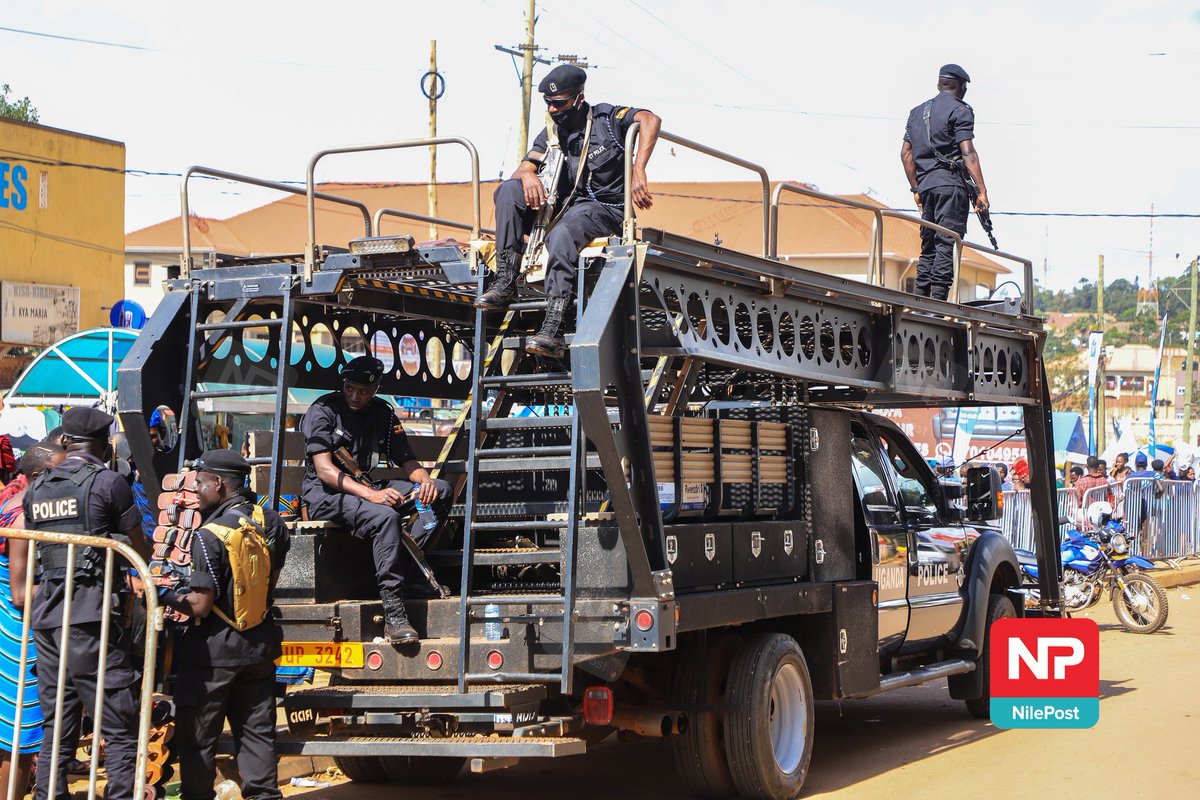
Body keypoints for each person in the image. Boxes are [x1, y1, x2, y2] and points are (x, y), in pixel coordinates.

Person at [475, 63, 663, 357]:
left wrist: (639, 169)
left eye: (559, 103)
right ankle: (505, 281)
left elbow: (650, 119)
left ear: (578, 98)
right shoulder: (552, 132)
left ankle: (554, 327)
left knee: (561, 234)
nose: (552, 109)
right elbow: (523, 167)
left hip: (607, 210)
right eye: (548, 103)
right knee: (508, 190)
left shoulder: (606, 121)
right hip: (564, 210)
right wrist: (526, 175)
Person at [23, 407, 148, 800]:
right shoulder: (108, 482)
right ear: (105, 443)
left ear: (64, 440)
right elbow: (139, 549)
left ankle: (49, 794)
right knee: (118, 723)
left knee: (57, 724)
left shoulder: (37, 488)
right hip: (92, 616)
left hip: (47, 617)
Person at [301, 356, 452, 644]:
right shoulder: (323, 410)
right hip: (327, 496)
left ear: (376, 389)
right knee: (386, 517)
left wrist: (425, 481)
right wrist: (374, 495)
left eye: (364, 391)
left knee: (441, 491)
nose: (355, 396)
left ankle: (407, 568)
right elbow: (324, 470)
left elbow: (407, 460)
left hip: (365, 489)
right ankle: (394, 614)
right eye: (350, 388)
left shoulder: (383, 413)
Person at [170, 449, 289, 800]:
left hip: (212, 656)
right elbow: (269, 582)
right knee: (257, 735)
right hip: (259, 647)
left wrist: (164, 595)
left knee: (198, 739)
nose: (196, 491)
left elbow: (200, 604)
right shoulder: (271, 521)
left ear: (220, 484)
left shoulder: (208, 535)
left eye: (200, 483)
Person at [0, 443, 65, 796]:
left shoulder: (14, 505)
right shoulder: (24, 516)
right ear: (38, 476)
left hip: (13, 627)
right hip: (17, 635)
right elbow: (21, 594)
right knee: (19, 737)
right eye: (60, 473)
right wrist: (73, 585)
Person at [901, 64, 989, 301]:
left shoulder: (916, 112)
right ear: (961, 86)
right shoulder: (961, 111)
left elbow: (905, 153)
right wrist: (981, 191)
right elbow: (968, 152)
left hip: (925, 188)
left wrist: (916, 189)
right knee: (946, 243)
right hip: (951, 187)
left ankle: (919, 300)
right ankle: (938, 304)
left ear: (939, 84)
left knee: (928, 245)